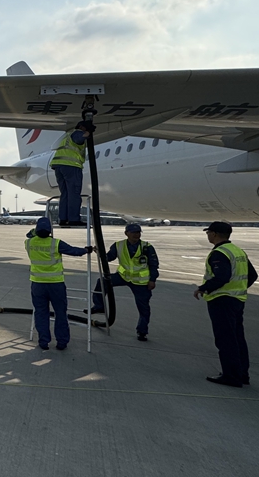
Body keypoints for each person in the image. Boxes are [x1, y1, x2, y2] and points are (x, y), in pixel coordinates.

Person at [194, 221, 257, 388]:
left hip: (222, 300)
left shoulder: (219, 253)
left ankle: (231, 376)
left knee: (225, 339)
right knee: (237, 338)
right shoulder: (237, 251)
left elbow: (222, 277)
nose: (207, 235)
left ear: (214, 234)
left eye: (208, 232)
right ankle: (242, 374)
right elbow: (253, 275)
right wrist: (239, 289)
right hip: (237, 300)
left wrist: (203, 288)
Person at [26, 217, 93, 350]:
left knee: (41, 313)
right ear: (50, 230)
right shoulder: (56, 243)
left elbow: (29, 234)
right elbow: (74, 251)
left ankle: (43, 341)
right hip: (55, 284)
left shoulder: (28, 243)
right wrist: (86, 250)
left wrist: (36, 231)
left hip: (37, 284)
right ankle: (62, 342)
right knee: (60, 313)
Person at [90, 223, 159, 341]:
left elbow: (154, 265)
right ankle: (99, 305)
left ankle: (142, 332)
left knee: (144, 309)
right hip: (123, 276)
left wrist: (152, 280)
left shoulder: (147, 247)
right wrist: (100, 253)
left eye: (138, 232)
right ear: (126, 233)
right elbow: (109, 258)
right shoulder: (119, 245)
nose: (136, 235)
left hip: (141, 282)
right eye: (133, 232)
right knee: (102, 282)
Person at [50, 121, 92, 227]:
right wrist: (88, 133)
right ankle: (74, 219)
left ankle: (63, 219)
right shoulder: (77, 132)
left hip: (58, 166)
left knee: (65, 194)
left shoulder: (66, 136)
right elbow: (80, 138)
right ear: (81, 127)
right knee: (74, 193)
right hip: (71, 166)